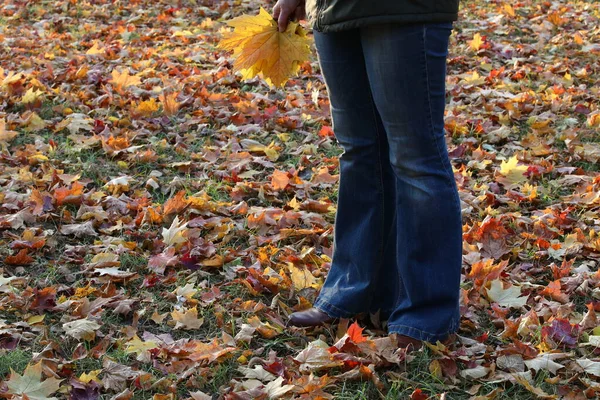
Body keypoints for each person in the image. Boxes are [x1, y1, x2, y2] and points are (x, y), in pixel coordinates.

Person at [275, 0, 462, 348]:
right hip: (333, 8)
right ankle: (356, 293)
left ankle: (426, 316)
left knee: (415, 158)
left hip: (402, 10)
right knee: (360, 153)